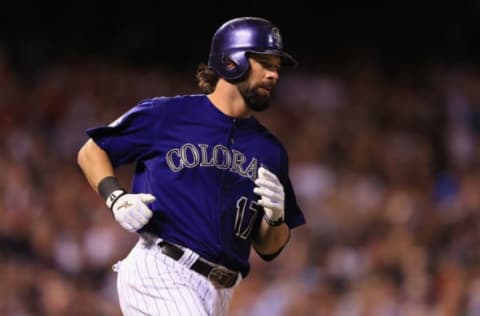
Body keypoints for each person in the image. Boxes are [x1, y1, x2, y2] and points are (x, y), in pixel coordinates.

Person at [77, 16, 306, 316]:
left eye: (276, 66)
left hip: (220, 292)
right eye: (264, 62)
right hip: (162, 271)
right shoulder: (168, 115)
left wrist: (275, 219)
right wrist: (116, 198)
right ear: (230, 60)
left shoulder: (271, 151)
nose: (274, 74)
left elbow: (269, 248)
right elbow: (92, 151)